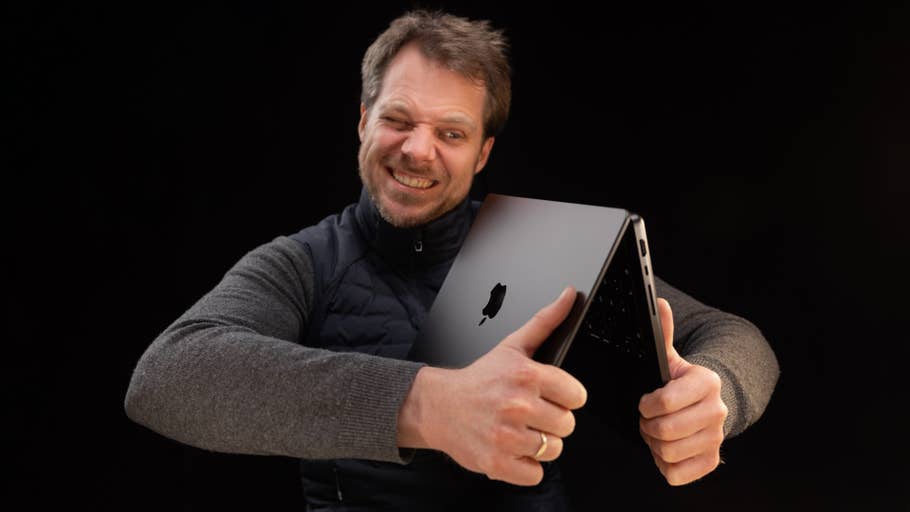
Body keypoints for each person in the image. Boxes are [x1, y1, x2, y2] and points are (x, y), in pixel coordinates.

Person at [125, 9, 779, 510]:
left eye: (451, 133)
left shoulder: (537, 245)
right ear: (362, 121)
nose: (418, 150)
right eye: (398, 120)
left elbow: (735, 337)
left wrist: (714, 391)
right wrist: (434, 407)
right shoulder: (302, 265)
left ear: (483, 153)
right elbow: (167, 377)